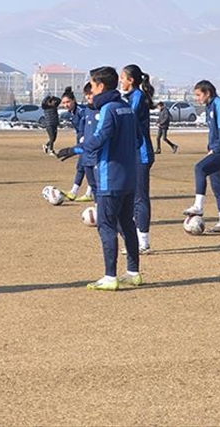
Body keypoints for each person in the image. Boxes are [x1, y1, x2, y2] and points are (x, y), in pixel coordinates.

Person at [56, 66, 141, 291]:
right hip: (129, 177)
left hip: (109, 177)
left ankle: (110, 277)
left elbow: (101, 137)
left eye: (92, 86)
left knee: (106, 225)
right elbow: (139, 139)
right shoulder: (127, 108)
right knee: (127, 225)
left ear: (101, 86)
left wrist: (75, 150)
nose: (91, 91)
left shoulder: (108, 109)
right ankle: (133, 273)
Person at [183, 80, 220, 233]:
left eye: (199, 95)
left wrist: (217, 148)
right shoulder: (209, 106)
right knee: (217, 184)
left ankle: (198, 206)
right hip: (216, 149)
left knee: (200, 168)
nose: (197, 98)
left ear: (207, 93)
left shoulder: (218, 103)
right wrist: (210, 147)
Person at [120, 64, 155, 254]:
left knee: (140, 197)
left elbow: (129, 120)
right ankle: (135, 238)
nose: (120, 81)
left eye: (122, 78)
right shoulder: (131, 97)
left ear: (131, 80)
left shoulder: (137, 97)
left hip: (141, 154)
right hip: (131, 154)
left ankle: (143, 241)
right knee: (130, 197)